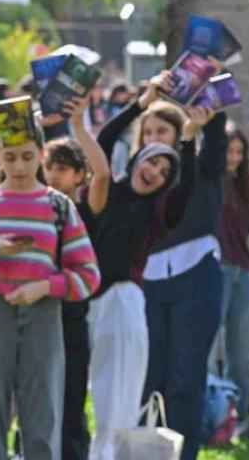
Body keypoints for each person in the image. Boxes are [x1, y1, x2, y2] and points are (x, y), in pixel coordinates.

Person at [76, 73, 186, 460]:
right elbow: (105, 141)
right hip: (83, 301)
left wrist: (189, 138)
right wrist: (140, 104)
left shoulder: (158, 212)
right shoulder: (107, 189)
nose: (154, 171)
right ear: (138, 156)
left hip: (122, 302)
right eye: (151, 161)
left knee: (117, 402)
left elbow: (186, 185)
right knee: (74, 397)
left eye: (164, 171)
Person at [0, 123, 101, 460]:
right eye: (10, 157)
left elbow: (89, 275)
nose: (19, 166)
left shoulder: (58, 205)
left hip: (43, 314)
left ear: (40, 154)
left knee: (42, 415)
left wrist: (46, 286)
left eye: (27, 156)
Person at [135, 97, 227, 460]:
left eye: (162, 131)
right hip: (149, 282)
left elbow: (216, 143)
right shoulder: (138, 179)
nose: (154, 138)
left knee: (185, 379)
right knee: (151, 378)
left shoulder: (200, 167)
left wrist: (210, 110)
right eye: (147, 132)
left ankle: (184, 454)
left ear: (178, 134)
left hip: (197, 274)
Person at [42, 120, 109, 460]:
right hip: (37, 316)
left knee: (70, 402)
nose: (54, 175)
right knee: (37, 403)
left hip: (72, 318)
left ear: (79, 175)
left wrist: (80, 126)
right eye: (50, 167)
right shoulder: (34, 209)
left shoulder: (85, 212)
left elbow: (103, 176)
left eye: (63, 169)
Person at [217, 125, 249, 419]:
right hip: (216, 268)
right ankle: (212, 416)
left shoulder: (244, 186)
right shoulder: (208, 183)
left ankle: (239, 416)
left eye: (239, 152)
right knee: (209, 350)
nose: (233, 158)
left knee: (243, 354)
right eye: (228, 151)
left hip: (243, 270)